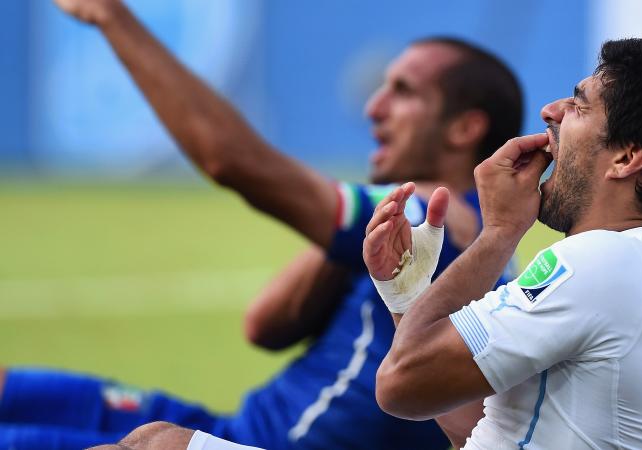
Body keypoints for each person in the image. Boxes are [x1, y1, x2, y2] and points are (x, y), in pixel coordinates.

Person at [0, 1, 523, 450]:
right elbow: (265, 325)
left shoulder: (433, 215)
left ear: (465, 128)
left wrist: (109, 15)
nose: (374, 108)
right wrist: (346, 249)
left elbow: (231, 160)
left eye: (403, 92)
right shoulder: (426, 236)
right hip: (222, 424)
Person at [365, 38, 642, 449]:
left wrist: (499, 233)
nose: (551, 112)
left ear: (626, 158)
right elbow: (483, 424)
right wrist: (408, 298)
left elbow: (401, 384)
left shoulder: (602, 262)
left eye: (579, 106)